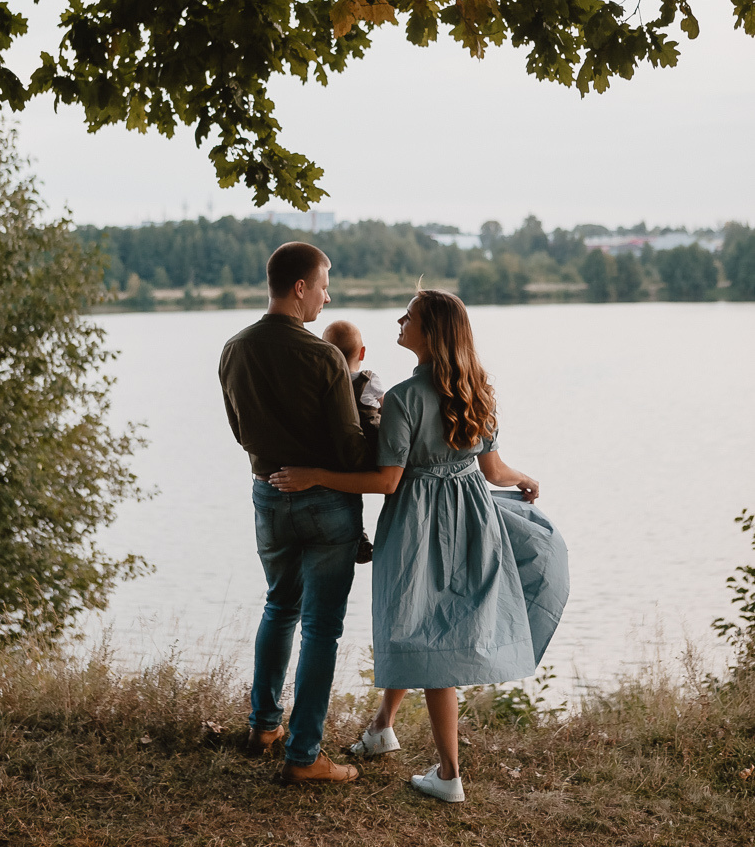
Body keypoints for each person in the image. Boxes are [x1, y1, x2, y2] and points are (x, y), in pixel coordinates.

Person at [270, 289, 569, 803]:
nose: (400, 320)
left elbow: (387, 482)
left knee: (428, 634)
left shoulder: (405, 399)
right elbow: (492, 470)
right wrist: (524, 479)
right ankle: (383, 726)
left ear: (431, 332)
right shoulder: (478, 389)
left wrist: (313, 475)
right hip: (472, 516)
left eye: (409, 316)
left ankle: (449, 775)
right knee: (423, 624)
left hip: (419, 525)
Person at [218, 241, 372, 785]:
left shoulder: (234, 349)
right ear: (300, 287)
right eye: (324, 285)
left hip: (266, 494)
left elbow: (240, 432)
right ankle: (305, 755)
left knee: (279, 606)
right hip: (325, 503)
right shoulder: (324, 357)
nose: (327, 298)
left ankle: (264, 726)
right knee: (322, 628)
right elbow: (350, 450)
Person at [322, 319, 385, 563]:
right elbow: (387, 410)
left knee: (348, 493)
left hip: (337, 454)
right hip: (371, 450)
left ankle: (358, 534)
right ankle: (360, 535)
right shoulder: (368, 380)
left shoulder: (323, 383)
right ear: (362, 352)